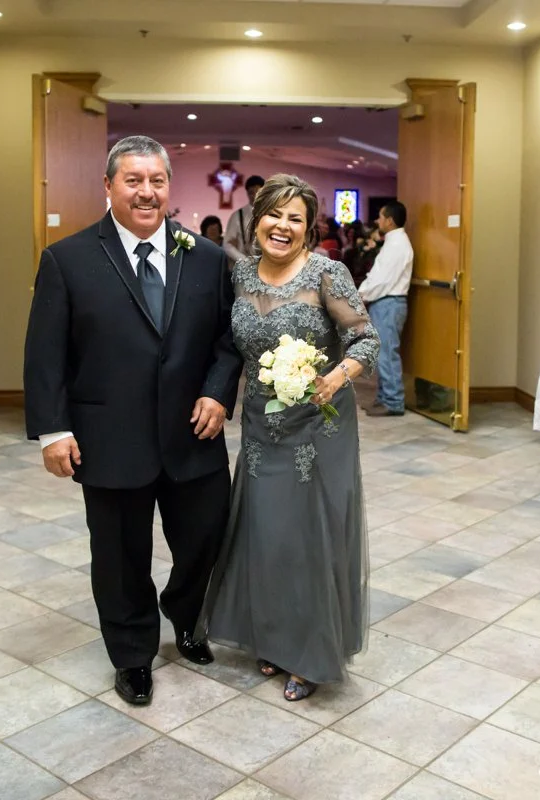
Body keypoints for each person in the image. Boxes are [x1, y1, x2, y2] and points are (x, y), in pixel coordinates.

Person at [24, 135, 243, 706]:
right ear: (108, 186)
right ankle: (132, 654)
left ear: (169, 187)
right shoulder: (67, 259)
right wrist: (54, 430)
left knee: (206, 537)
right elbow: (46, 353)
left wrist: (218, 394)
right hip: (109, 438)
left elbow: (227, 339)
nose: (147, 192)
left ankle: (186, 616)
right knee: (120, 556)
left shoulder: (208, 258)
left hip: (193, 434)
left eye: (157, 181)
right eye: (134, 180)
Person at [198, 173, 380, 701]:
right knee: (267, 533)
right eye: (273, 215)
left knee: (308, 537)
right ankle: (273, 638)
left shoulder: (327, 273)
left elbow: (365, 340)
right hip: (262, 425)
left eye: (294, 218)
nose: (282, 226)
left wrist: (334, 379)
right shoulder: (240, 274)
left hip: (318, 424)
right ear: (256, 221)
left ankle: (310, 654)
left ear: (309, 227)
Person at [359, 201, 413, 417]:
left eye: (380, 217)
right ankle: (384, 398)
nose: (377, 221)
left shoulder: (398, 244)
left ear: (389, 221)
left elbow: (382, 280)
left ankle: (393, 401)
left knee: (387, 353)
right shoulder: (393, 242)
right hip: (385, 302)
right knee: (382, 353)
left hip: (389, 302)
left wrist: (361, 295)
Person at [223, 175, 266, 266]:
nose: (255, 196)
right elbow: (227, 245)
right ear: (247, 193)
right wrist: (245, 260)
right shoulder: (237, 216)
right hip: (245, 264)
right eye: (251, 193)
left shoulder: (272, 213)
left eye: (258, 192)